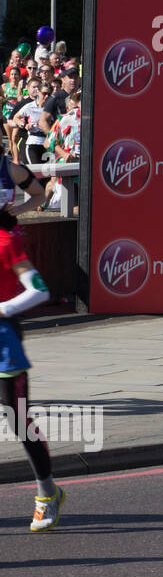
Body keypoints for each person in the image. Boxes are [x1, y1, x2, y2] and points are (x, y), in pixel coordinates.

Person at [0, 211, 60, 530]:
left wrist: (2, 309)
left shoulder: (6, 241)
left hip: (4, 342)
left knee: (18, 419)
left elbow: (40, 290)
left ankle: (47, 494)